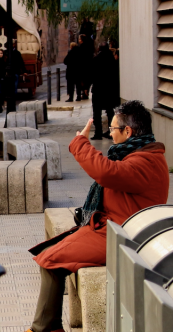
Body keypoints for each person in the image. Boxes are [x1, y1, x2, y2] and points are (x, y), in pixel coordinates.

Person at [25, 101, 168, 332]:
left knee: (50, 259)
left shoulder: (145, 162)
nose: (110, 134)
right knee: (49, 254)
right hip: (110, 228)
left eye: (112, 129)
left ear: (128, 131)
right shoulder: (138, 153)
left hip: (122, 236)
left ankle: (45, 328)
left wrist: (81, 143)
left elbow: (104, 172)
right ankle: (47, 325)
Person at [90, 44, 120, 140]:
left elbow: (91, 75)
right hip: (110, 90)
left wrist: (86, 88)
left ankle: (98, 133)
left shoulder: (96, 60)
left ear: (99, 49)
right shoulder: (112, 60)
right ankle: (111, 132)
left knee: (97, 113)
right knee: (110, 112)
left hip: (98, 90)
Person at [78, 34, 95, 99]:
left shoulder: (81, 47)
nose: (79, 40)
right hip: (88, 65)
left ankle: (84, 93)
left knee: (83, 80)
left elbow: (80, 57)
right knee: (87, 80)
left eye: (80, 39)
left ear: (82, 40)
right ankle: (86, 91)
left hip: (83, 66)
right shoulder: (89, 46)